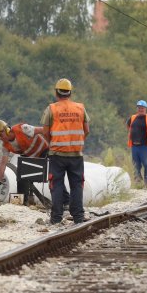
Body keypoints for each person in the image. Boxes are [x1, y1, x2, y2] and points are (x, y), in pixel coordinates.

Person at [41, 78, 90, 225]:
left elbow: (45, 132)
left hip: (57, 154)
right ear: (70, 93)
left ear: (56, 92)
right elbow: (86, 130)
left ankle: (56, 218)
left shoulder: (51, 109)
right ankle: (78, 217)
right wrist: (77, 142)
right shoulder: (80, 108)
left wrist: (53, 143)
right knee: (76, 185)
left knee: (56, 185)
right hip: (76, 154)